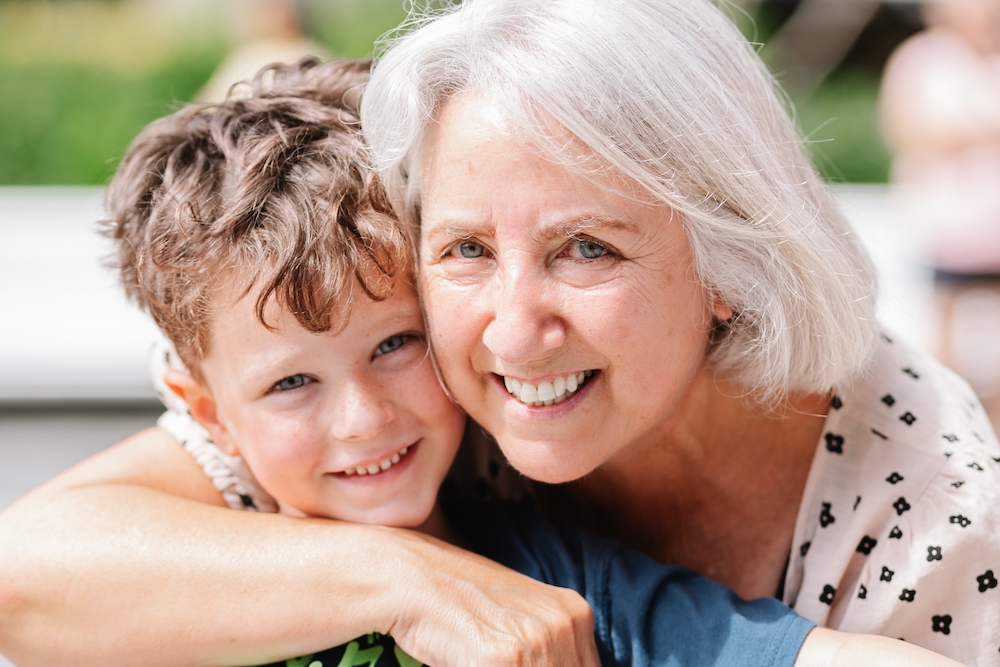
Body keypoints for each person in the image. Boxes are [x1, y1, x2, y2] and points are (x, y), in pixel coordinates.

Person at [0, 0, 997, 665]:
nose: (514, 332)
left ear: (728, 262)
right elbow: (29, 566)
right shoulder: (412, 405)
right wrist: (410, 577)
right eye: (466, 246)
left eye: (587, 250)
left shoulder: (939, 519)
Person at [881, 0, 1000, 426]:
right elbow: (907, 131)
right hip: (949, 225)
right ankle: (948, 422)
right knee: (946, 326)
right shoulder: (920, 59)